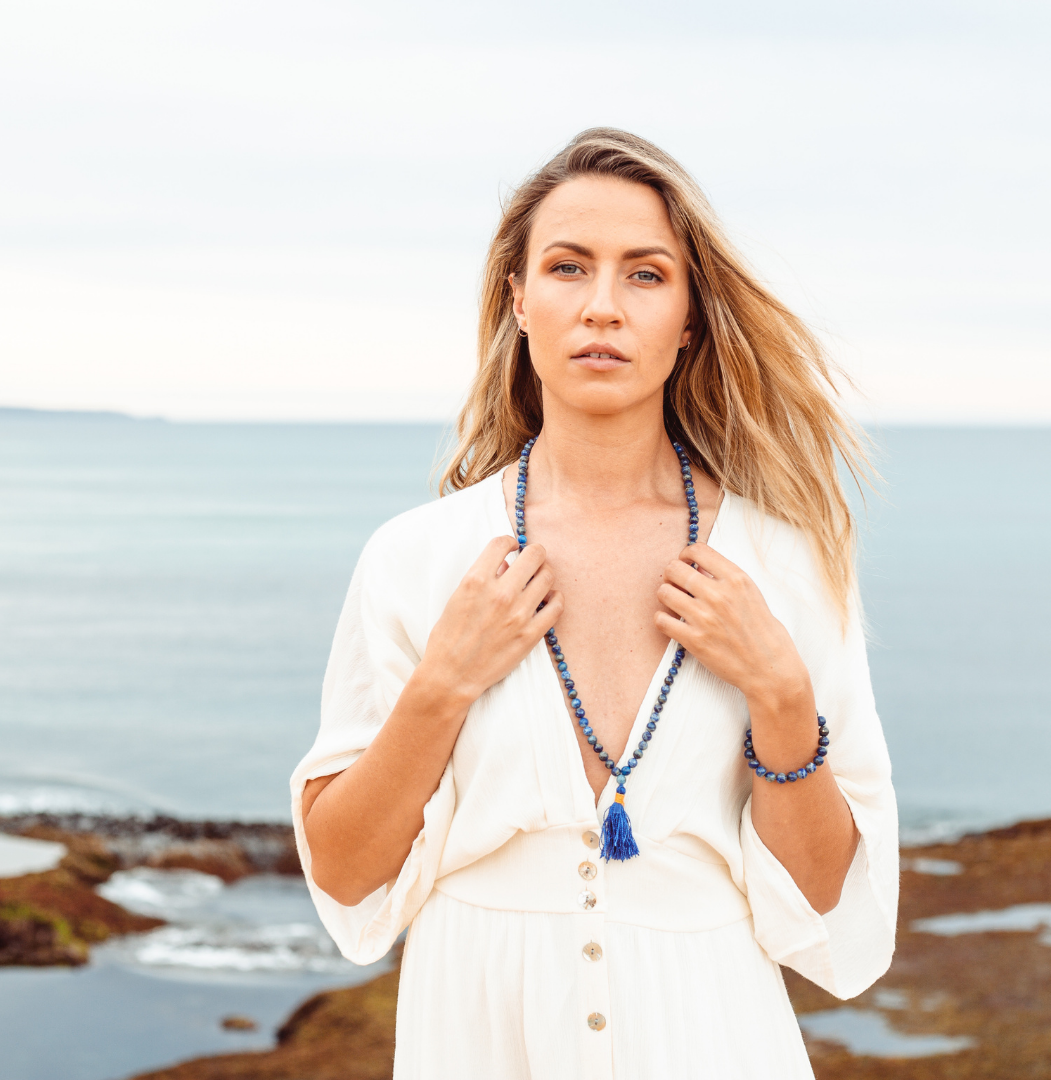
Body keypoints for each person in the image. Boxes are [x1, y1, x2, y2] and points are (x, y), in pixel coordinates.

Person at [292, 128, 898, 1079]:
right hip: (476, 1036)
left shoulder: (786, 564)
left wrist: (783, 698)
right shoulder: (417, 558)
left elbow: (824, 903)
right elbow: (345, 871)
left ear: (691, 317)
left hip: (714, 1033)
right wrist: (442, 686)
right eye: (568, 268)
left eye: (647, 275)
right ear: (519, 300)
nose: (603, 308)